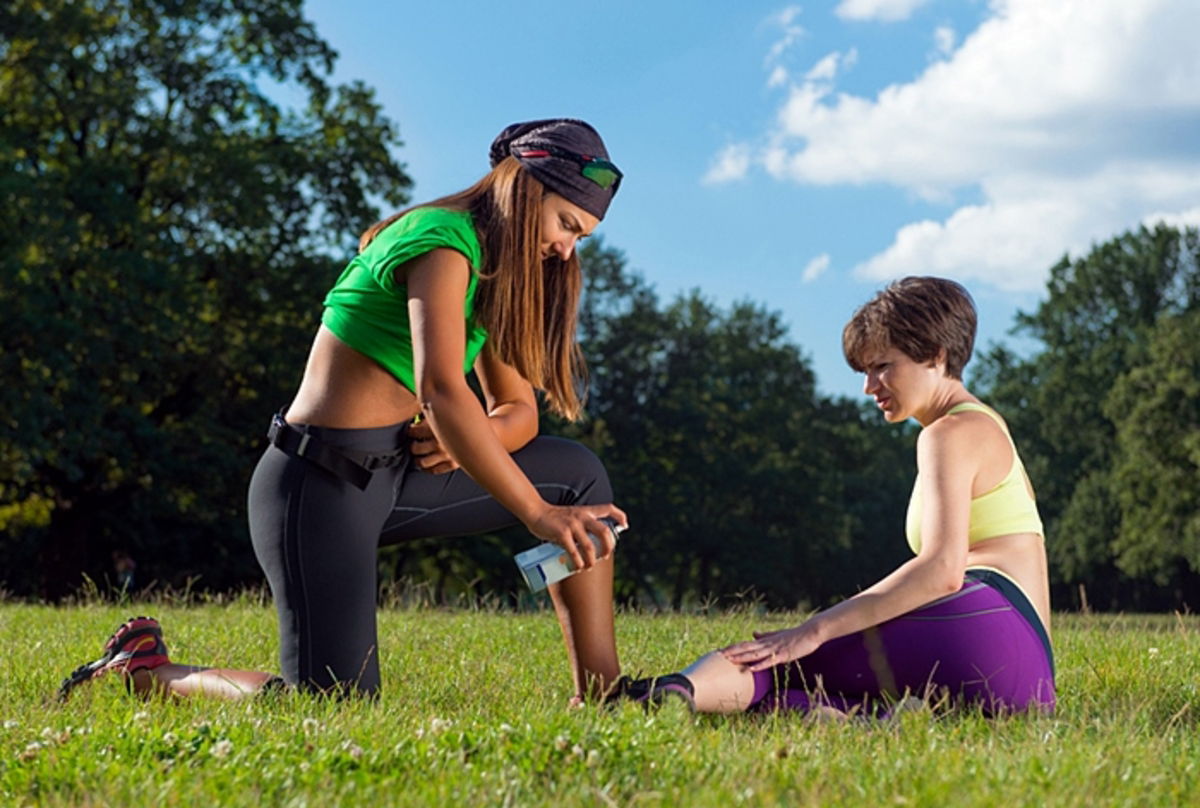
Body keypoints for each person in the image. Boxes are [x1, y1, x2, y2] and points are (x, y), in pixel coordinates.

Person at [58, 119, 629, 706]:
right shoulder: (441, 239)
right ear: (526, 188)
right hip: (318, 485)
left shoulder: (497, 274)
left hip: (398, 474)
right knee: (332, 704)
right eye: (567, 224)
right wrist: (534, 512)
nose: (566, 249)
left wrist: (475, 435)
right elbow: (440, 387)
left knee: (578, 479)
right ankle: (146, 670)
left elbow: (518, 411)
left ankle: (606, 694)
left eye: (580, 238)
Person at [626, 277, 1055, 716]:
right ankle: (871, 720)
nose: (870, 386)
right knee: (796, 690)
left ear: (937, 354)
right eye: (865, 371)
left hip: (982, 626)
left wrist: (815, 629)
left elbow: (942, 571)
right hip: (1028, 674)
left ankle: (651, 699)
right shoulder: (986, 424)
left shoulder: (948, 434)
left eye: (883, 366)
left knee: (775, 663)